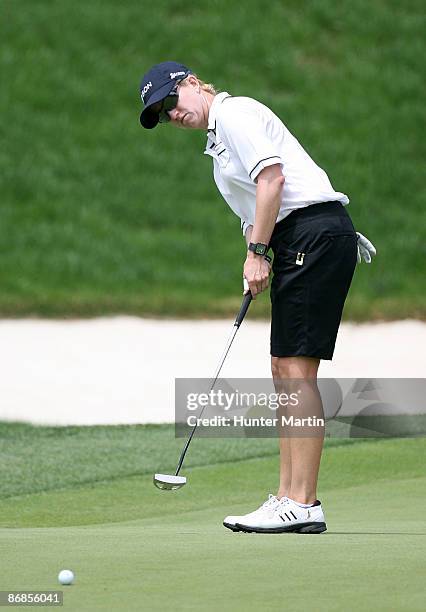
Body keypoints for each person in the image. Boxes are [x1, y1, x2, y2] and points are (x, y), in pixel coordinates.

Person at [139, 61, 376, 534]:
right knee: (283, 369)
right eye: (162, 114)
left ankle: (303, 501)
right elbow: (253, 211)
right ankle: (289, 496)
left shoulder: (236, 114)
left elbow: (273, 179)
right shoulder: (217, 149)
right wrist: (257, 257)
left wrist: (257, 251)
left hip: (312, 235)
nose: (171, 114)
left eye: (170, 101)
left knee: (296, 370)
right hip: (295, 241)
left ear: (190, 84)